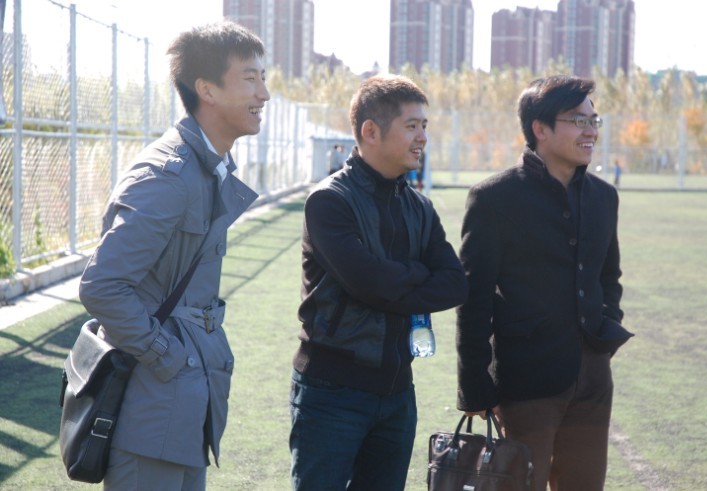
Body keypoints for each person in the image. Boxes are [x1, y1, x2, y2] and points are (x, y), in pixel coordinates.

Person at [78, 21, 270, 489]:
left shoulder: (206, 168)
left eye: (263, 78)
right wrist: (170, 357)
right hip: (152, 410)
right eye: (250, 78)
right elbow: (102, 286)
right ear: (207, 89)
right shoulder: (169, 176)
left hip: (181, 409)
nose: (263, 94)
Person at [289, 74, 467, 491]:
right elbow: (368, 284)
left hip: (398, 391)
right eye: (412, 126)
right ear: (370, 131)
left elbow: (455, 284)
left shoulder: (420, 207)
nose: (423, 137)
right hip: (331, 391)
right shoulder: (329, 201)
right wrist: (418, 273)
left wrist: (389, 280)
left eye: (424, 126)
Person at [455, 75, 633, 491]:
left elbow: (609, 277)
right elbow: (474, 298)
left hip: (593, 380)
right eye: (577, 120)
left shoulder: (604, 197)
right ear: (540, 128)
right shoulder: (494, 198)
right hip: (526, 382)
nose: (590, 131)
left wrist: (605, 330)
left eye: (593, 120)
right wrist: (474, 386)